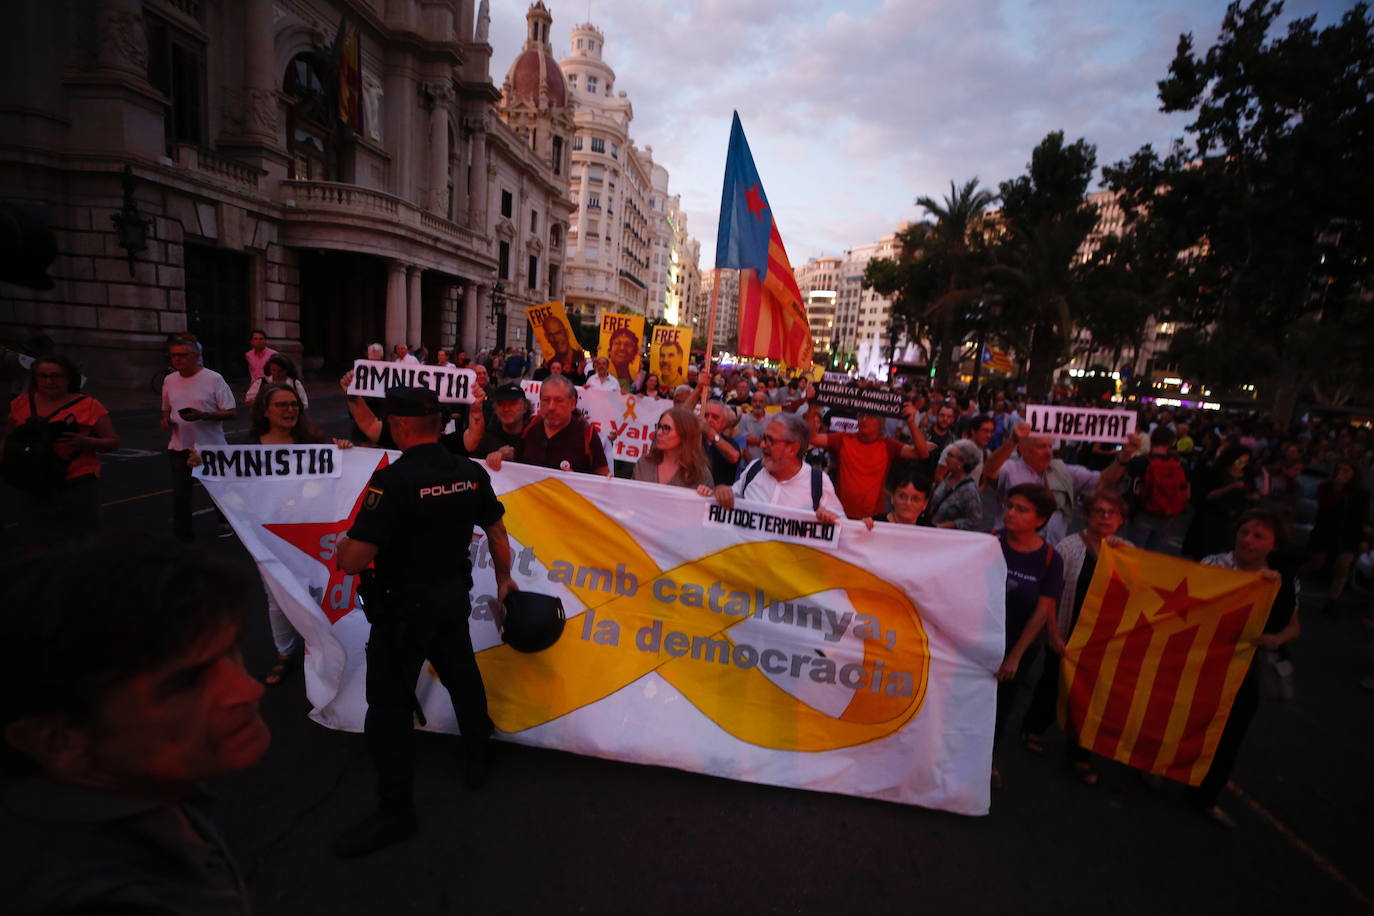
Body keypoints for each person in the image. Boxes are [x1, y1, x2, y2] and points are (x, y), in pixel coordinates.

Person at [0, 535, 269, 914]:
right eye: (186, 683)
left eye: (232, 652)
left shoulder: (146, 787)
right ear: (57, 741)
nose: (249, 689)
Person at [333, 387, 516, 858]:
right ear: (438, 423)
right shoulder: (469, 473)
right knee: (462, 677)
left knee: (389, 709)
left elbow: (354, 559)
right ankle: (479, 753)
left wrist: (342, 548)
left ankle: (396, 811)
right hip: (450, 601)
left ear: (398, 426)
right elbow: (497, 534)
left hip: (401, 614)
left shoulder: (391, 482)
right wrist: (505, 582)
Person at [192, 384, 353, 684]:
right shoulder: (250, 448)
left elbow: (337, 477)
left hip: (311, 530)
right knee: (278, 597)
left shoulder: (313, 444)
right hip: (270, 537)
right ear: (265, 411)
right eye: (281, 405)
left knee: (319, 588)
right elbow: (234, 487)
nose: (290, 410)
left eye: (294, 404)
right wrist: (206, 466)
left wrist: (343, 450)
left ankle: (321, 646)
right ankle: (284, 651)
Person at [1192, 509, 1300, 827]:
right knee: (1187, 718)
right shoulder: (1214, 563)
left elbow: (1295, 626)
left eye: (1258, 536)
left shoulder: (1283, 581)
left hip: (1246, 667)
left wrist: (1277, 638)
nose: (1247, 540)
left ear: (1274, 546)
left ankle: (1206, 795)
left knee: (1229, 734)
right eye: (1244, 532)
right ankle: (1157, 770)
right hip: (1206, 659)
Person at [1023, 488, 1129, 785]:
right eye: (1099, 512)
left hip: (1103, 642)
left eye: (1111, 513)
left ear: (1121, 519)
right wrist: (1054, 634)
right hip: (1068, 633)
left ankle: (1080, 752)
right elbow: (1051, 597)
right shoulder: (1069, 548)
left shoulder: (1127, 553)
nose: (1105, 518)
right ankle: (1033, 727)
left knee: (1091, 698)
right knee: (1052, 685)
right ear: (1087, 516)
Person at [2, 353, 119, 553]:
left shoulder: (88, 405)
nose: (49, 381)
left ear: (69, 378)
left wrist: (85, 441)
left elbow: (112, 442)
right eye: (43, 376)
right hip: (32, 481)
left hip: (74, 481)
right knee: (33, 537)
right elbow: (8, 437)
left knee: (78, 541)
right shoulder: (21, 403)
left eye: (56, 376)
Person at [992, 483, 1065, 790]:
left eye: (1021, 509)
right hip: (983, 640)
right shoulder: (990, 542)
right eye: (1009, 506)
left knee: (1002, 706)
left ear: (1040, 519)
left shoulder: (1050, 559)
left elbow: (1044, 609)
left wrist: (1016, 655)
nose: (1011, 513)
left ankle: (988, 759)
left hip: (1017, 645)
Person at [983, 422, 1131, 545]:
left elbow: (1104, 479)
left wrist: (1126, 455)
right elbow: (989, 470)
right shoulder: (1010, 469)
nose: (1048, 452)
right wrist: (1012, 441)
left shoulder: (1063, 471)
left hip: (1051, 547)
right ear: (1023, 449)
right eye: (1041, 447)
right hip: (1010, 546)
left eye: (1050, 446)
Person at [161, 337, 236, 542]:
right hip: (179, 446)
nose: (177, 359)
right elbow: (166, 409)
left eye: (182, 355)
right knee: (181, 493)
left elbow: (230, 412)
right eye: (173, 355)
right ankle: (183, 537)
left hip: (210, 447)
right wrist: (166, 420)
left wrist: (203, 415)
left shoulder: (214, 379)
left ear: (196, 356)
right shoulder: (169, 380)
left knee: (218, 489)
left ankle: (226, 522)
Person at [713, 411, 844, 522]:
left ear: (792, 449)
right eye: (763, 438)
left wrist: (831, 519)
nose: (762, 445)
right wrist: (721, 491)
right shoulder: (754, 468)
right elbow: (731, 496)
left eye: (770, 440)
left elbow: (843, 528)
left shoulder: (818, 482)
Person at [810, 405, 929, 519]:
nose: (864, 419)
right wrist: (812, 407)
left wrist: (911, 423)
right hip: (841, 513)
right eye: (861, 415)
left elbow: (922, 453)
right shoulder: (843, 439)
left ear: (880, 422)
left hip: (873, 518)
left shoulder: (888, 445)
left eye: (870, 416)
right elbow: (812, 438)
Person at [489, 374, 609, 475]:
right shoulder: (529, 427)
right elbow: (515, 459)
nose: (551, 407)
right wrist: (500, 456)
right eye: (546, 400)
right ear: (540, 401)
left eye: (559, 401)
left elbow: (603, 479)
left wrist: (577, 481)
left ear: (572, 403)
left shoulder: (587, 435)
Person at [1300, 460, 1369, 614]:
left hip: (1349, 534)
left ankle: (1332, 601)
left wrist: (1363, 538)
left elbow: (1362, 516)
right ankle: (1293, 576)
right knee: (1316, 563)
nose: (1342, 474)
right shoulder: (1326, 487)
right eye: (1340, 470)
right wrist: (1337, 488)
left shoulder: (1361, 494)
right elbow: (1325, 506)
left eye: (1347, 470)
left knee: (1342, 567)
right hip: (1326, 531)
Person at [1124, 425, 1191, 555]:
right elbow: (1187, 494)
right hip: (1167, 515)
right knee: (1153, 554)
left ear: (1152, 439)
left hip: (1143, 512)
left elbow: (1129, 486)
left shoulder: (1140, 461)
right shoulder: (1180, 464)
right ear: (1171, 443)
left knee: (1133, 552)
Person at [461, 381, 532, 463]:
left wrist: (516, 457)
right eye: (500, 403)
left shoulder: (534, 437)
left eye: (512, 403)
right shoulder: (485, 438)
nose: (506, 409)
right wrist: (488, 460)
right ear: (495, 408)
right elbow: (474, 466)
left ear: (525, 407)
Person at [929, 439, 984, 530]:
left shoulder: (970, 490)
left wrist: (949, 525)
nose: (946, 458)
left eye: (951, 456)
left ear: (962, 462)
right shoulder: (948, 478)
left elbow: (974, 521)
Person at [863, 471, 932, 529]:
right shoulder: (874, 525)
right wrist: (859, 527)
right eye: (902, 496)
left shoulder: (931, 532)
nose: (908, 503)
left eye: (915, 499)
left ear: (925, 504)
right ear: (892, 497)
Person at [244, 352, 309, 409]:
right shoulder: (261, 382)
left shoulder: (295, 383)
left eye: (280, 371)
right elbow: (249, 401)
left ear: (287, 370)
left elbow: (304, 404)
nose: (277, 374)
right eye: (274, 370)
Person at [702, 399, 745, 486]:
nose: (709, 420)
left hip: (717, 496)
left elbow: (734, 457)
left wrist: (712, 435)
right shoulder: (694, 439)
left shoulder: (730, 443)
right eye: (706, 415)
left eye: (715, 417)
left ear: (725, 422)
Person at [737, 391, 772, 463]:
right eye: (755, 401)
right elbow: (743, 442)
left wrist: (753, 440)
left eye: (761, 401)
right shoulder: (743, 418)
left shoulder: (772, 418)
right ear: (751, 403)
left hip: (768, 460)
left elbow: (773, 440)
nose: (757, 404)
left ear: (766, 404)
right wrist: (750, 463)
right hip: (748, 461)